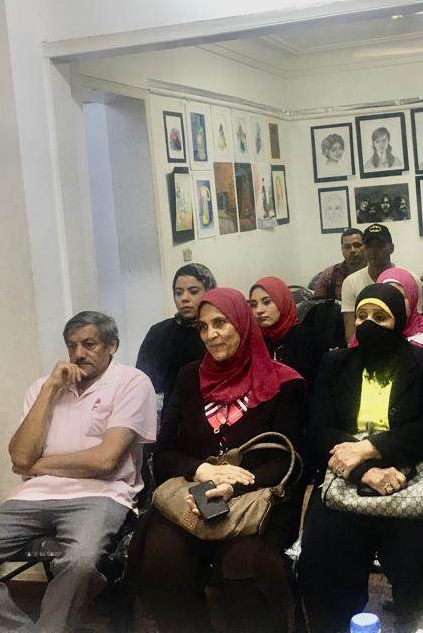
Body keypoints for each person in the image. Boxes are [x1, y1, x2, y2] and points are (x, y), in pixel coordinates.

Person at [0, 312, 157, 633]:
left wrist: (39, 465)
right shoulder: (43, 387)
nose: (78, 354)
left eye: (89, 344)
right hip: (31, 498)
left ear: (112, 346)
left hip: (101, 495)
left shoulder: (132, 382)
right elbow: (21, 456)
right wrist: (51, 389)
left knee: (80, 562)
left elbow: (105, 460)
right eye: (72, 346)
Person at [129, 289, 306, 633]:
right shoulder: (189, 377)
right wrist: (202, 469)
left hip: (255, 501)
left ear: (242, 323)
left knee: (245, 569)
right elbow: (163, 454)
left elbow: (290, 460)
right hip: (190, 497)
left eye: (221, 323)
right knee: (163, 561)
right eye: (203, 327)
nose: (211, 335)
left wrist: (232, 486)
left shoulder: (283, 382)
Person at [297, 284, 423, 633]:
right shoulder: (335, 363)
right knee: (322, 556)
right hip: (348, 480)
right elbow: (319, 431)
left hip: (411, 479)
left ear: (399, 320)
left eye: (380, 316)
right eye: (361, 316)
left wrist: (371, 448)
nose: (368, 324)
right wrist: (365, 471)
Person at [136, 264, 217, 404]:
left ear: (209, 292)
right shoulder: (159, 333)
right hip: (172, 410)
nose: (184, 298)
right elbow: (143, 383)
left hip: (218, 407)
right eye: (178, 293)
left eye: (193, 291)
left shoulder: (219, 330)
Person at [250, 275, 330, 388]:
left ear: (282, 301)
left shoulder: (310, 340)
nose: (259, 310)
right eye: (253, 305)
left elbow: (322, 388)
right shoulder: (256, 343)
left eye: (266, 302)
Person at [340, 223, 395, 344]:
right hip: (363, 347)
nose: (373, 251)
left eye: (379, 245)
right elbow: (351, 332)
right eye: (369, 246)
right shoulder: (350, 282)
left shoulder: (409, 279)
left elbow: (413, 326)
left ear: (391, 248)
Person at [313, 228, 366, 302]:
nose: (352, 250)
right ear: (342, 250)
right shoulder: (329, 275)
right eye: (347, 247)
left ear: (366, 247)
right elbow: (316, 305)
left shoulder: (374, 271)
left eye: (357, 245)